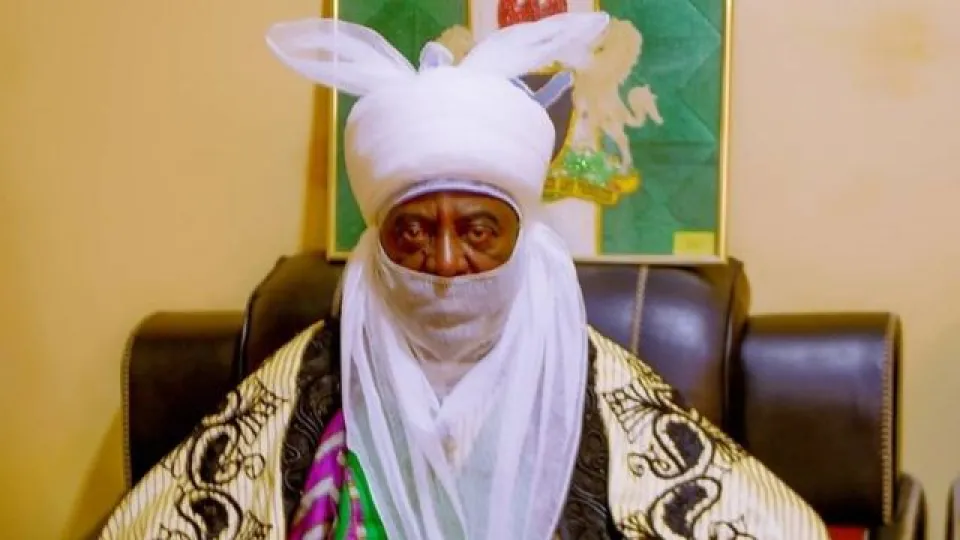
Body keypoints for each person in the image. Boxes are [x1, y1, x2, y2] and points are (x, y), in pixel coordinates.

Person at [97, 12, 830, 540]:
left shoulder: (598, 386)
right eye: (413, 232)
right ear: (378, 241)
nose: (447, 264)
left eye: (478, 231)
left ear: (522, 235)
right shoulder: (313, 379)